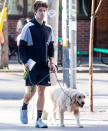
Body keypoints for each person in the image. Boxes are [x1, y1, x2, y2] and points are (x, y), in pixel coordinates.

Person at [19, 0, 56, 128]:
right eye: (40, 10)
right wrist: (25, 63)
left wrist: (52, 62)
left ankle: (39, 120)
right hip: (31, 64)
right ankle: (24, 106)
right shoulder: (28, 27)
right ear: (35, 12)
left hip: (44, 65)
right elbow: (22, 47)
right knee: (31, 92)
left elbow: (51, 47)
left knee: (41, 91)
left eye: (44, 10)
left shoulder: (48, 29)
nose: (42, 13)